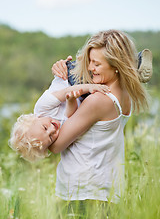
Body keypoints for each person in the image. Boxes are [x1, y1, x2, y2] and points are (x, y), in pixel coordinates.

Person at [46, 29, 150, 204]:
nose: (89, 67)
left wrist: (59, 82)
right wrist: (67, 70)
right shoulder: (125, 94)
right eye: (89, 62)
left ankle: (71, 72)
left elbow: (55, 146)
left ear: (117, 65)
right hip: (106, 192)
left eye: (96, 64)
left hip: (83, 194)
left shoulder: (97, 101)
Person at [9, 75, 109, 162]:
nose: (52, 130)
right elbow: (70, 115)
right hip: (81, 96)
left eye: (44, 128)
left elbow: (66, 92)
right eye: (50, 138)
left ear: (35, 118)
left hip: (71, 80)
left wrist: (91, 87)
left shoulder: (42, 107)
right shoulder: (56, 134)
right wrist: (71, 101)